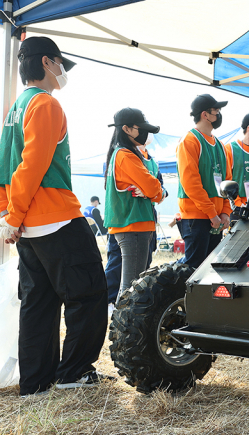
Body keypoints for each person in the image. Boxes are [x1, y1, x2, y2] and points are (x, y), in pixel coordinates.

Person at [0, 36, 110, 396]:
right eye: (61, 63)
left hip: (29, 227)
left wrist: (10, 216)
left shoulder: (14, 109)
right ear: (47, 62)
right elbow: (32, 165)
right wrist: (13, 216)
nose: (62, 71)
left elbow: (5, 167)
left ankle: (36, 381)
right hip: (56, 217)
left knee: (39, 303)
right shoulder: (46, 104)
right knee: (89, 294)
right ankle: (73, 373)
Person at [104, 108, 165, 302]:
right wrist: (156, 191)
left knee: (130, 285)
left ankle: (122, 327)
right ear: (127, 129)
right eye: (142, 128)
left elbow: (154, 189)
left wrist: (155, 191)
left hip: (132, 225)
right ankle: (123, 330)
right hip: (134, 225)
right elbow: (153, 186)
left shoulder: (122, 154)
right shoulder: (126, 155)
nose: (146, 134)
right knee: (132, 287)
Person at [176, 94, 232, 267]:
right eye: (216, 110)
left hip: (215, 217)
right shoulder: (190, 140)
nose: (219, 114)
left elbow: (228, 181)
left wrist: (225, 212)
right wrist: (212, 213)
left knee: (210, 269)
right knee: (193, 270)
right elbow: (191, 183)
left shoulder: (221, 145)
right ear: (204, 115)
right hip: (197, 217)